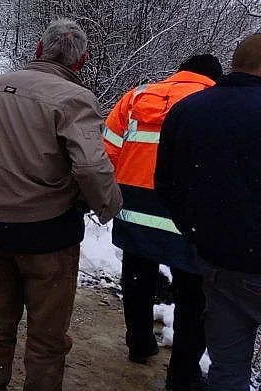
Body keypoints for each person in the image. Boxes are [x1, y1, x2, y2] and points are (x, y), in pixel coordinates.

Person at [0, 18, 122, 391]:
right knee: (47, 341)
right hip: (50, 236)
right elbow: (91, 165)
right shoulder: (75, 99)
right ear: (79, 63)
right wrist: (109, 207)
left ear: (37, 50)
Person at [103, 54, 222, 390]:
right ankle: (183, 373)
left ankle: (139, 343)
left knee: (137, 275)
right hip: (184, 212)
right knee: (193, 291)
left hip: (135, 206)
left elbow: (108, 149)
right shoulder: (215, 104)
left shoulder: (138, 96)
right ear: (214, 76)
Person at [155, 35, 261, 391]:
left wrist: (198, 234)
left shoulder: (189, 110)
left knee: (227, 369)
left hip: (217, 265)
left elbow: (166, 184)